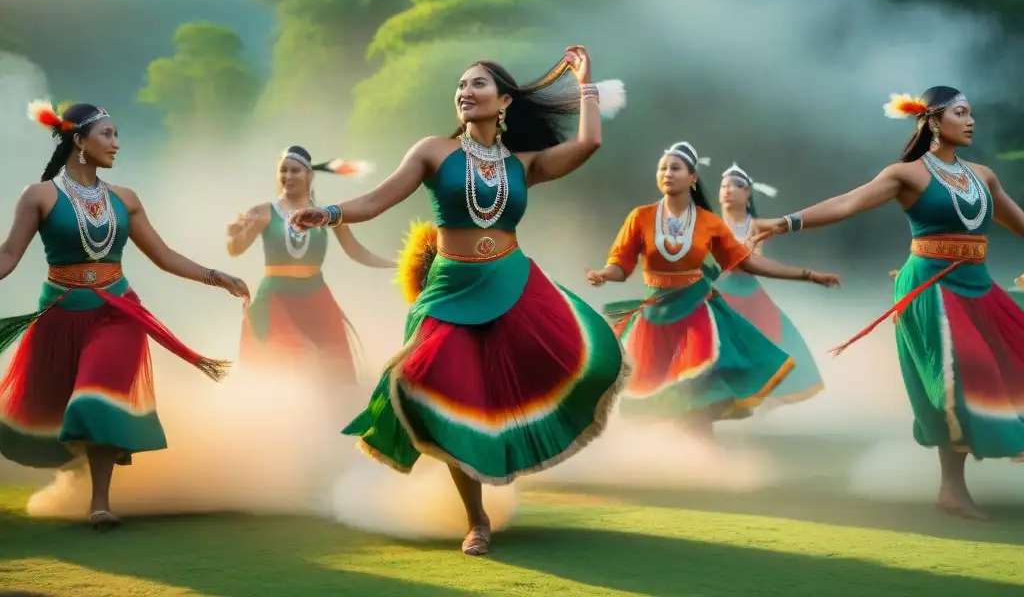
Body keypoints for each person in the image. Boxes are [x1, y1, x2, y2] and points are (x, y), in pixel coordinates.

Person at [288, 46, 629, 556]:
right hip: (451, 290)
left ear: (504, 102)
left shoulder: (524, 164)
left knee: (527, 381)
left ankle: (503, 467)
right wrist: (331, 212)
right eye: (460, 87)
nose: (464, 93)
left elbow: (590, 142)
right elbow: (378, 198)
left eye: (477, 85)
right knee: (443, 386)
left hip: (513, 284)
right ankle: (477, 519)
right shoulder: (433, 151)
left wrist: (586, 84)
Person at [750, 87, 1024, 520]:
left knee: (1013, 361)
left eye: (972, 114)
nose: (971, 121)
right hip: (929, 287)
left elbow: (1020, 223)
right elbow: (846, 204)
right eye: (961, 113)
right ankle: (952, 488)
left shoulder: (984, 176)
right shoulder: (906, 175)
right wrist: (785, 222)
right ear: (933, 120)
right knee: (960, 370)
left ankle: (958, 482)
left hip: (978, 283)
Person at [0, 102, 249, 530]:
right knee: (63, 410)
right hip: (59, 314)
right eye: (107, 135)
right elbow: (7, 256)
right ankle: (76, 483)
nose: (117, 144)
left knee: (96, 398)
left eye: (117, 135)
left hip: (117, 313)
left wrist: (214, 275)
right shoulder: (39, 196)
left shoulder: (125, 199)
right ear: (78, 141)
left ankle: (100, 503)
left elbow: (165, 255)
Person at [585, 142, 839, 438]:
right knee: (649, 394)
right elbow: (621, 263)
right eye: (663, 168)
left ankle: (705, 456)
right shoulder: (640, 217)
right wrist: (605, 274)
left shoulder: (708, 223)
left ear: (693, 178)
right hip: (654, 316)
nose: (667, 173)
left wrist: (808, 274)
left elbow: (751, 263)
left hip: (697, 314)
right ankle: (661, 456)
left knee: (695, 392)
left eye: (675, 168)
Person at [226, 146, 392, 383]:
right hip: (275, 299)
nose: (288, 177)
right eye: (283, 171)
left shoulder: (326, 215)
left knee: (334, 370)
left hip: (316, 297)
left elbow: (354, 250)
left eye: (295, 171)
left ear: (309, 175)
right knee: (285, 364)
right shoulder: (263, 213)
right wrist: (233, 234)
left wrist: (391, 264)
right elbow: (236, 249)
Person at [713, 163, 824, 407]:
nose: (728, 190)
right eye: (723, 186)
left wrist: (821, 215)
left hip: (751, 297)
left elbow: (788, 223)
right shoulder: (708, 225)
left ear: (748, 192)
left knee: (773, 347)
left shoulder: (755, 225)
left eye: (736, 185)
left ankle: (756, 405)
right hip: (719, 295)